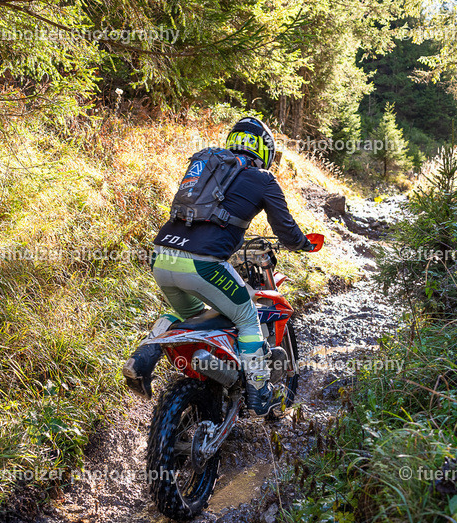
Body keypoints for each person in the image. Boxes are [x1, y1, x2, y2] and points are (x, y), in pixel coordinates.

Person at [123, 116, 316, 416]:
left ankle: (145, 355)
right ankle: (259, 393)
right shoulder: (263, 179)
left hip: (161, 258)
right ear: (264, 150)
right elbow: (287, 231)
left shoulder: (208, 166)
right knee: (248, 317)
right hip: (204, 265)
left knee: (193, 317)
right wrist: (305, 244)